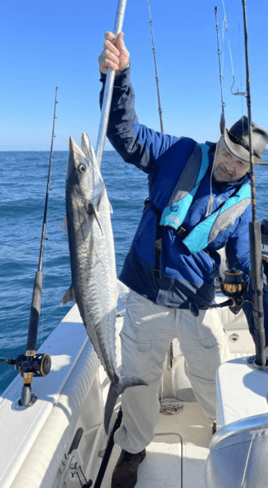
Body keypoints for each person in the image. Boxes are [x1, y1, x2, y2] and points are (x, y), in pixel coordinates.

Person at [99, 32, 268, 488]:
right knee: (139, 380)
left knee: (213, 375)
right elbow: (125, 134)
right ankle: (133, 448)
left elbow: (248, 268)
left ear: (253, 171)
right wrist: (118, 79)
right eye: (230, 154)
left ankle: (226, 429)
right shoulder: (177, 153)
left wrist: (262, 331)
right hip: (146, 294)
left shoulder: (244, 206)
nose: (231, 167)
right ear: (220, 142)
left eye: (243, 165)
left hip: (197, 302)